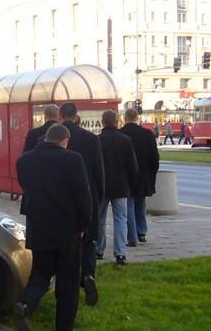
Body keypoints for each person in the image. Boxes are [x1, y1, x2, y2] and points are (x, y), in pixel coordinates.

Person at [15, 124, 92, 331]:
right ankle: (64, 327)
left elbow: (26, 189)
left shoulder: (24, 161)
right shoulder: (73, 159)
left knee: (39, 274)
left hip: (38, 227)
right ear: (64, 140)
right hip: (68, 229)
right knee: (68, 279)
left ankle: (25, 305)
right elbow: (83, 195)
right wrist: (84, 225)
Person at [59, 102, 104, 306]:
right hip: (89, 195)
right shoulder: (91, 139)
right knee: (89, 240)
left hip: (63, 198)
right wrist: (99, 197)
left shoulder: (54, 137)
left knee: (67, 240)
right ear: (77, 116)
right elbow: (99, 172)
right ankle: (88, 274)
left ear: (61, 116)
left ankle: (68, 277)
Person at [97, 110, 138, 265]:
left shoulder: (98, 140)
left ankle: (99, 249)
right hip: (121, 186)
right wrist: (130, 184)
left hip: (102, 186)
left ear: (102, 122)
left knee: (99, 219)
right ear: (117, 121)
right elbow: (132, 166)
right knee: (121, 219)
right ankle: (120, 253)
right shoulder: (125, 140)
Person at [120, 107, 159, 247]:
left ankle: (131, 234)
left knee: (128, 204)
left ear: (125, 118)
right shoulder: (147, 134)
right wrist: (152, 172)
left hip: (125, 175)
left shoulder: (121, 134)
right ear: (137, 118)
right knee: (140, 203)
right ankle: (141, 232)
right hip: (143, 174)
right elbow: (154, 157)